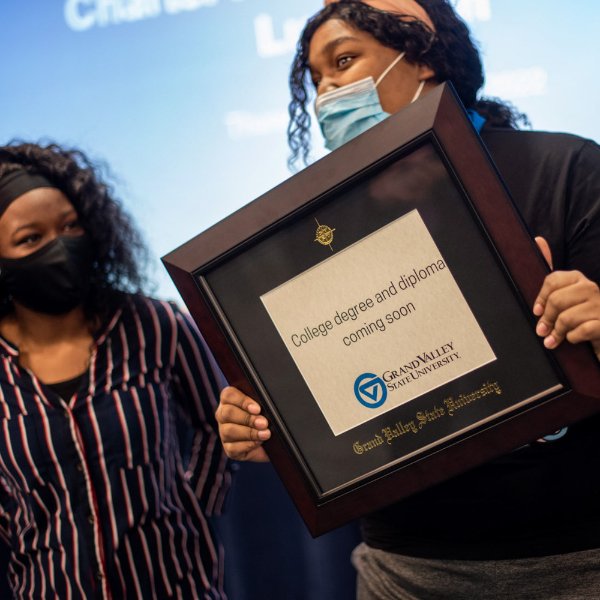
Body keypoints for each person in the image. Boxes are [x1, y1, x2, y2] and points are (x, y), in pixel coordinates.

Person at [216, 1, 600, 598]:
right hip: (404, 569)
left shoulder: (566, 167)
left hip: (572, 558)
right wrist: (274, 429)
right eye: (316, 79)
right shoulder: (315, 232)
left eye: (343, 62)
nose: (328, 91)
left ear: (419, 55)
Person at [0, 142, 230, 599]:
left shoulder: (157, 324)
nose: (60, 248)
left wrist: (193, 508)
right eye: (31, 239)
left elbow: (216, 423)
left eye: (70, 226)